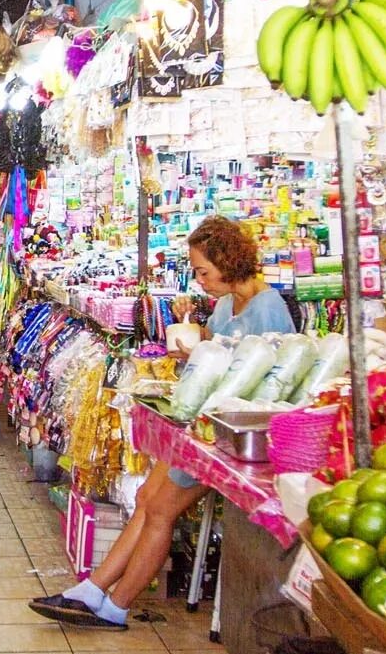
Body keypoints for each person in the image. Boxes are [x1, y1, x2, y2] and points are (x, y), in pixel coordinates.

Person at [30, 217, 295, 630]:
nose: (199, 279)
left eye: (204, 271)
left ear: (229, 263)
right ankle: (92, 590)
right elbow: (214, 349)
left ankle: (115, 604)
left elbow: (275, 385)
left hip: (225, 439)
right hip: (199, 427)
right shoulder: (228, 304)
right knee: (148, 502)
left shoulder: (269, 310)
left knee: (159, 511)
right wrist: (191, 334)